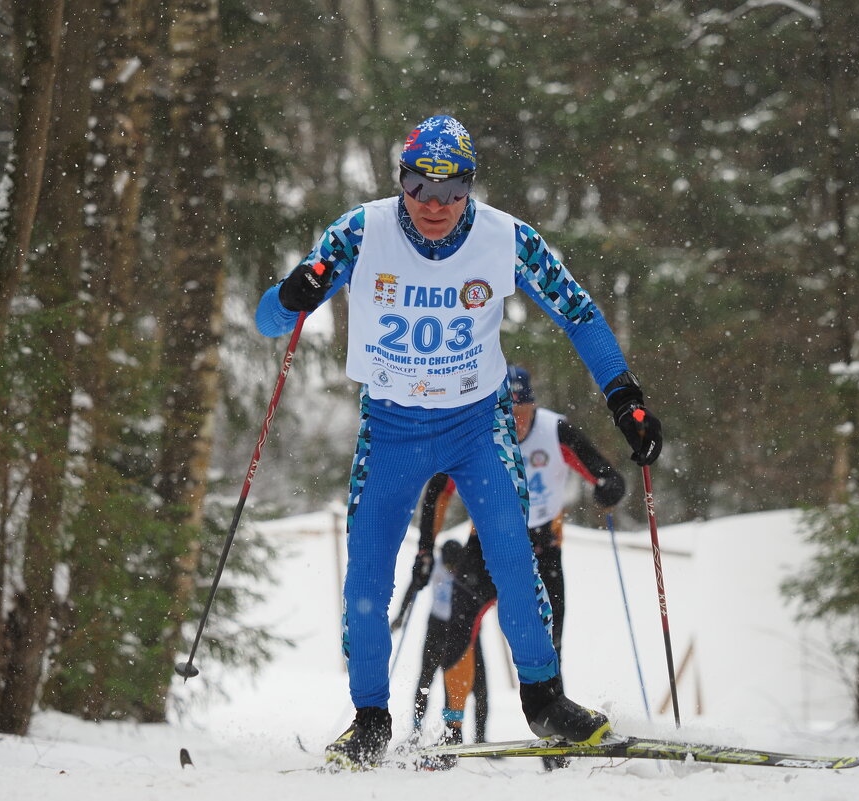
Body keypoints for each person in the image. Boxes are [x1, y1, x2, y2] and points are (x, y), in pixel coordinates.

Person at [254, 114, 662, 771]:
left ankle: (544, 700)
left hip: (479, 424)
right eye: (420, 187)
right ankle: (369, 717)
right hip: (390, 427)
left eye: (453, 189)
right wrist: (293, 292)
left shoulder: (506, 238)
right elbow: (269, 318)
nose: (436, 205)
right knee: (365, 576)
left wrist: (626, 398)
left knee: (512, 549)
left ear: (471, 185)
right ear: (401, 182)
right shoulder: (361, 232)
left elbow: (577, 310)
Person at [400, 364, 627, 769]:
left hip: (541, 546)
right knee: (458, 630)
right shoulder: (477, 430)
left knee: (547, 644)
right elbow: (438, 490)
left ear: (533, 404)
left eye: (521, 412)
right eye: (507, 412)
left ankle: (556, 739)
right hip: (486, 542)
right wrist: (424, 549)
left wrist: (608, 487)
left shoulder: (556, 431)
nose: (515, 422)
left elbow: (605, 472)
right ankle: (452, 733)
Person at [390, 538, 489, 743]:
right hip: (437, 627)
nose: (451, 570)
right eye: (448, 565)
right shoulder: (433, 563)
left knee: (477, 684)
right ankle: (416, 731)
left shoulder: (468, 566)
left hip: (465, 629)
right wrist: (401, 615)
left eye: (455, 566)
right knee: (426, 678)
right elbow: (413, 587)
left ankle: (478, 736)